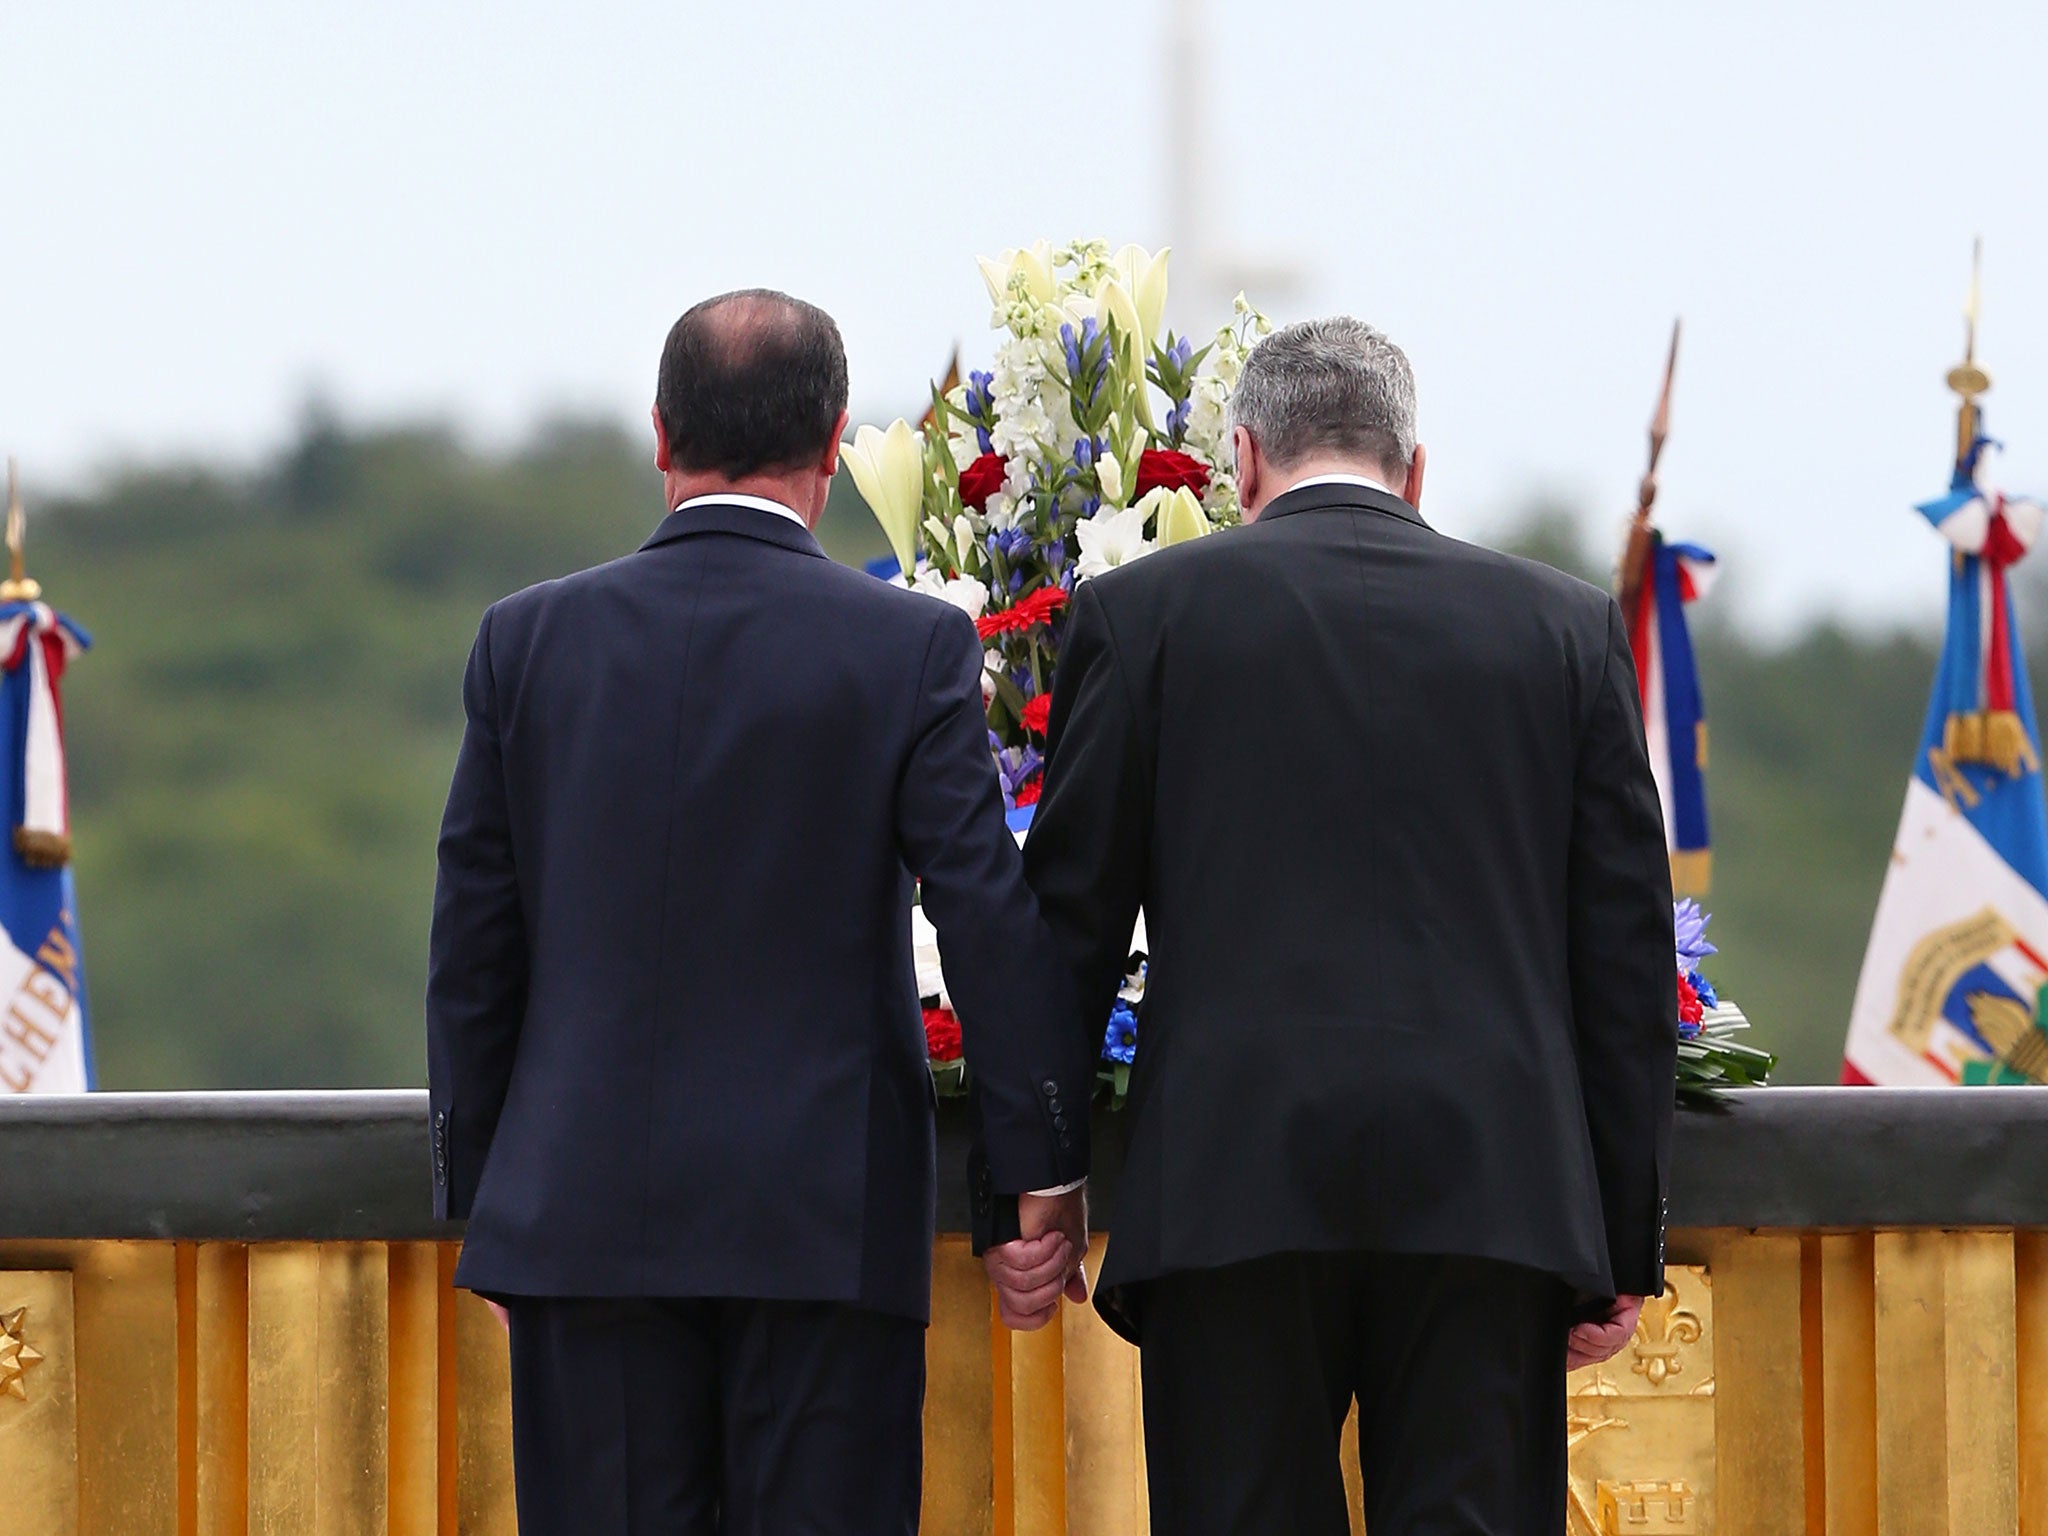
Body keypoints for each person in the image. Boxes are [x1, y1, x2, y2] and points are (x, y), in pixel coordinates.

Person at [427, 289, 1095, 1536]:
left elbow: (475, 945)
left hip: (578, 1226)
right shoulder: (908, 649)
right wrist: (1034, 1175)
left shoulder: (526, 642)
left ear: (661, 434)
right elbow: (984, 919)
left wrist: (487, 1202)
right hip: (821, 1230)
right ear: (836, 442)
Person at [1009, 317, 1678, 1534]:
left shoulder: (1138, 616)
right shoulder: (1565, 630)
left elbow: (1067, 923)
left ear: (1244, 459)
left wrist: (1038, 1169)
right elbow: (1623, 957)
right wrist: (1619, 1237)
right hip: (1492, 1194)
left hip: (1230, 1191)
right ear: (1413, 469)